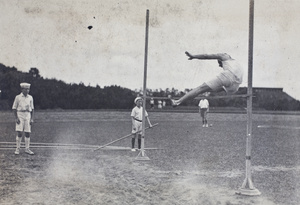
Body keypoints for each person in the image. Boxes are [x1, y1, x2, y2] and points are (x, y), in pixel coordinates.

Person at [171, 51, 243, 107]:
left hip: (229, 75)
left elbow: (206, 56)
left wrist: (194, 56)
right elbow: (219, 89)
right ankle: (202, 91)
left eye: (219, 63)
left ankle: (177, 102)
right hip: (236, 85)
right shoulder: (236, 63)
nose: (219, 65)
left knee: (201, 88)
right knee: (205, 89)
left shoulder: (224, 56)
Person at [12, 83, 35, 155]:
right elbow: (14, 108)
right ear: (22, 89)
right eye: (26, 89)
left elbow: (32, 109)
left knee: (27, 132)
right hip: (20, 114)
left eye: (28, 89)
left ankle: (27, 149)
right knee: (19, 132)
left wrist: (32, 118)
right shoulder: (18, 97)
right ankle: (17, 149)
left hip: (27, 115)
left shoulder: (30, 97)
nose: (27, 90)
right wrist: (16, 118)